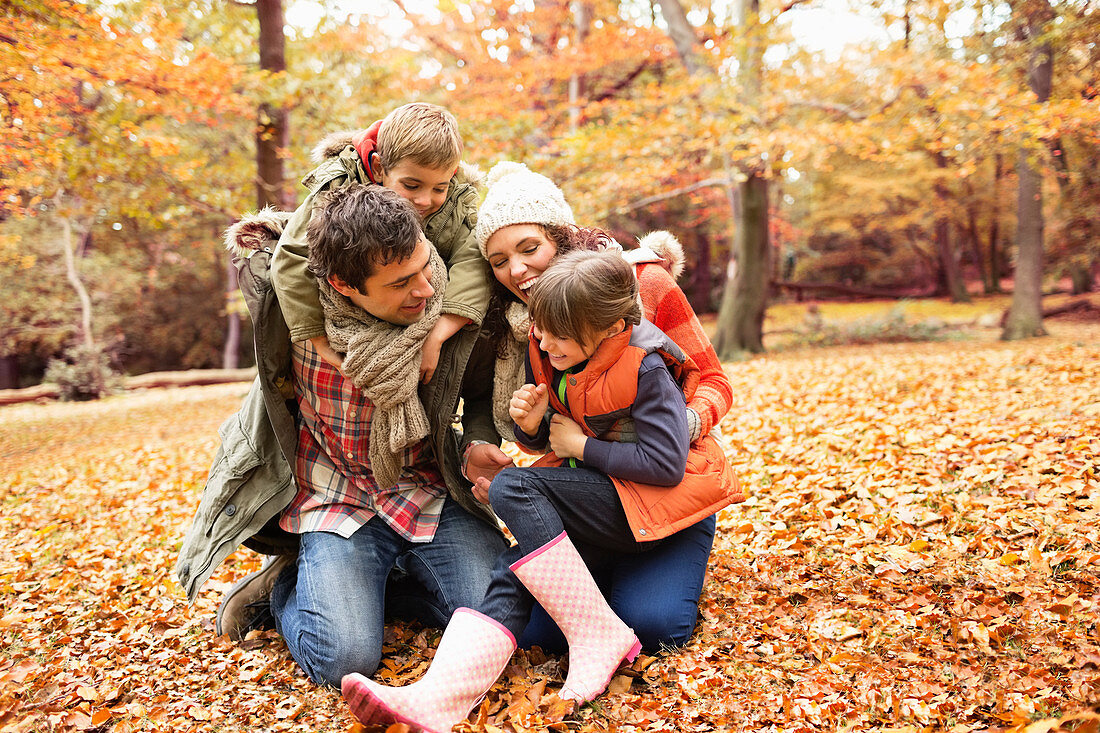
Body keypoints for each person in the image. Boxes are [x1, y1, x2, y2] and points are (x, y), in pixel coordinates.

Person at [342, 250, 741, 731]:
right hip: (605, 498)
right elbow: (560, 431)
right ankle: (438, 700)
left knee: (518, 489)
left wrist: (581, 445)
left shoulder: (646, 368)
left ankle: (597, 633)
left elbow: (665, 464)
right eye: (540, 329)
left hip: (662, 505)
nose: (545, 342)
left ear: (612, 327)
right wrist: (534, 426)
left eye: (557, 335)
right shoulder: (562, 344)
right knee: (522, 578)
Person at [175, 185, 506, 689]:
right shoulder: (297, 321)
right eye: (400, 282)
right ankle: (285, 588)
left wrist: (481, 439)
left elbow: (480, 391)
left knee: (499, 624)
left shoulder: (451, 308)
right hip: (336, 494)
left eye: (423, 266)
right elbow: (281, 258)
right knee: (343, 659)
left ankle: (378, 587)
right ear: (343, 285)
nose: (424, 289)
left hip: (428, 491)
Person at [463, 162, 741, 653]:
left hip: (664, 484)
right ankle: (593, 594)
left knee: (653, 626)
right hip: (590, 492)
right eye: (500, 260)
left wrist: (678, 427)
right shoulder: (534, 326)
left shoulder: (643, 284)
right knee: (537, 635)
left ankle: (639, 574)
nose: (517, 269)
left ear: (560, 236)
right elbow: (560, 423)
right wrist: (532, 429)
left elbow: (713, 378)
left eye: (529, 249)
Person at [272, 102, 491, 383]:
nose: (425, 200)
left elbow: (472, 258)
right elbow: (292, 254)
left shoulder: (456, 201)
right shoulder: (339, 186)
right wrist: (318, 340)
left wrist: (439, 333)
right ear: (378, 168)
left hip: (415, 317)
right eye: (411, 185)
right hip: (345, 327)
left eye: (440, 187)